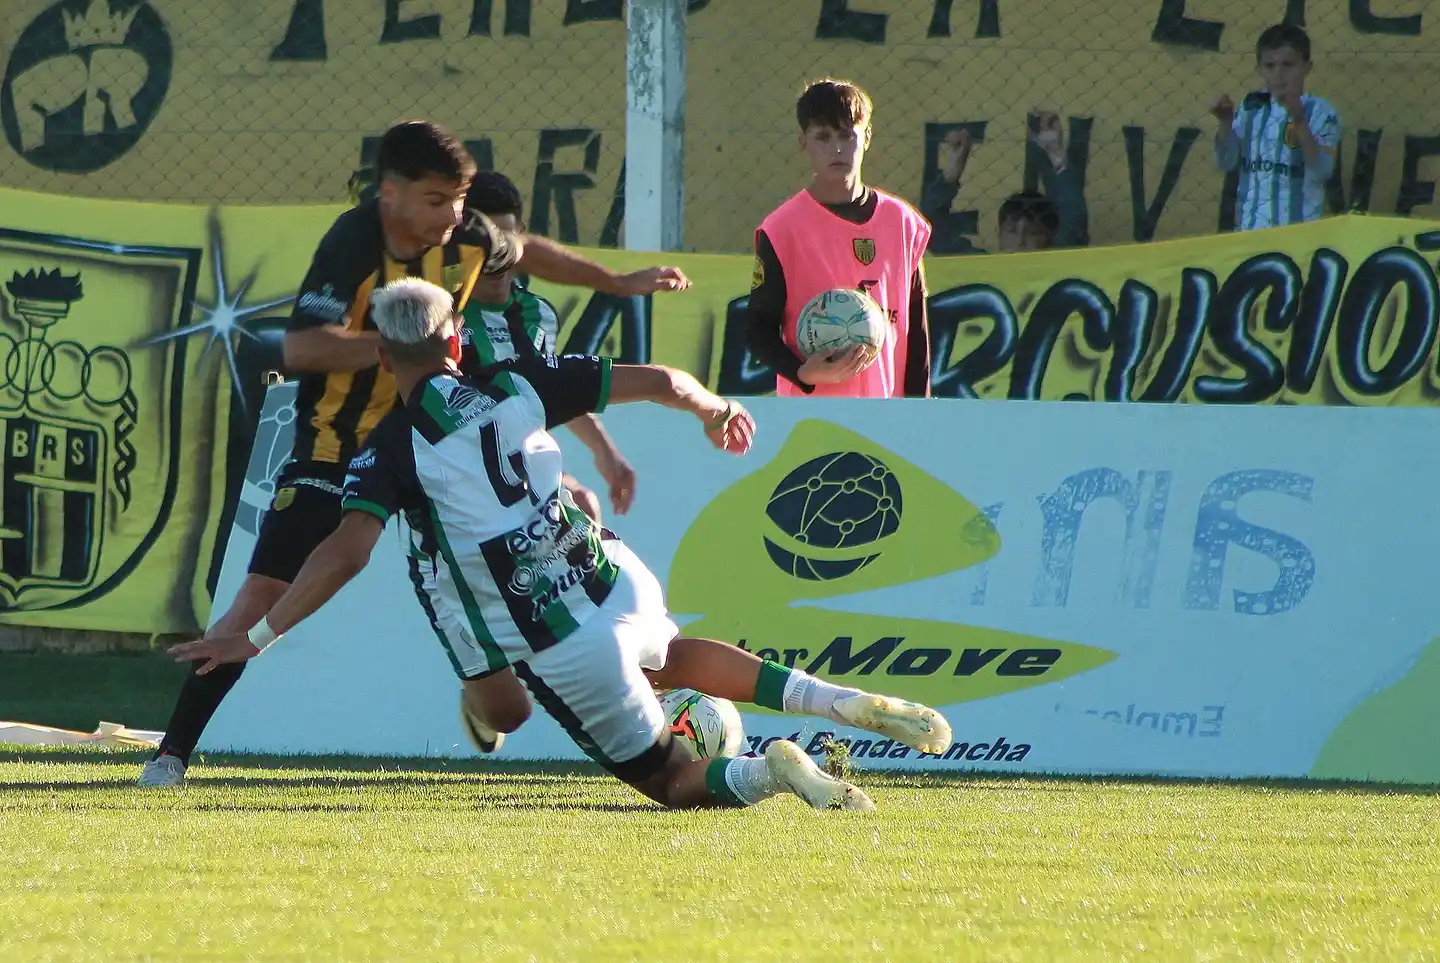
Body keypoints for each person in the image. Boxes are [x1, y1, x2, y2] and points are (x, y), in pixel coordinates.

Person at [168, 278, 954, 811]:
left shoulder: (390, 447)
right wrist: (714, 411)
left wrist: (256, 635)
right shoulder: (514, 382)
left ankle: (770, 770)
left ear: (382, 357)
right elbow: (661, 380)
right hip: (611, 573)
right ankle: (835, 699)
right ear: (455, 343)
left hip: (555, 635)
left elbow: (347, 551)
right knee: (670, 655)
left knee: (670, 779)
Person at [138, 120, 691, 788]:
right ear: (390, 194)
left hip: (444, 434)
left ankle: (601, 677)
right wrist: (403, 348)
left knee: (572, 505)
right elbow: (304, 347)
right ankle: (171, 753)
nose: (453, 216)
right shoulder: (352, 244)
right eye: (437, 201)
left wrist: (619, 282)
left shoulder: (463, 234)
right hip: (340, 447)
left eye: (457, 201)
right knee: (261, 592)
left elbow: (524, 252)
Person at [745, 79, 932, 398]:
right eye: (823, 137)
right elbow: (757, 328)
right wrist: (801, 373)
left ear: (867, 137)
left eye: (846, 135)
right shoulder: (783, 228)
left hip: (887, 410)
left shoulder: (902, 222)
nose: (837, 148)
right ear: (803, 143)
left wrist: (920, 409)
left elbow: (916, 331)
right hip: (813, 413)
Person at [1211, 23, 1340, 231]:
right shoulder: (1251, 107)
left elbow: (1322, 171)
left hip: (1299, 231)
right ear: (1259, 69)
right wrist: (1225, 122)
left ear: (1307, 67)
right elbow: (1226, 163)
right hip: (1250, 230)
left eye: (1288, 65)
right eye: (1270, 66)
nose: (1278, 74)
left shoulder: (1321, 112)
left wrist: (1299, 120)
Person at [923, 110, 1091, 254]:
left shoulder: (1056, 265)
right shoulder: (984, 267)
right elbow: (927, 230)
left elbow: (1074, 220)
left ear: (1050, 239)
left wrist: (1058, 158)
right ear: (999, 234)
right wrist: (950, 175)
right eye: (1011, 231)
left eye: (1032, 233)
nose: (1020, 242)